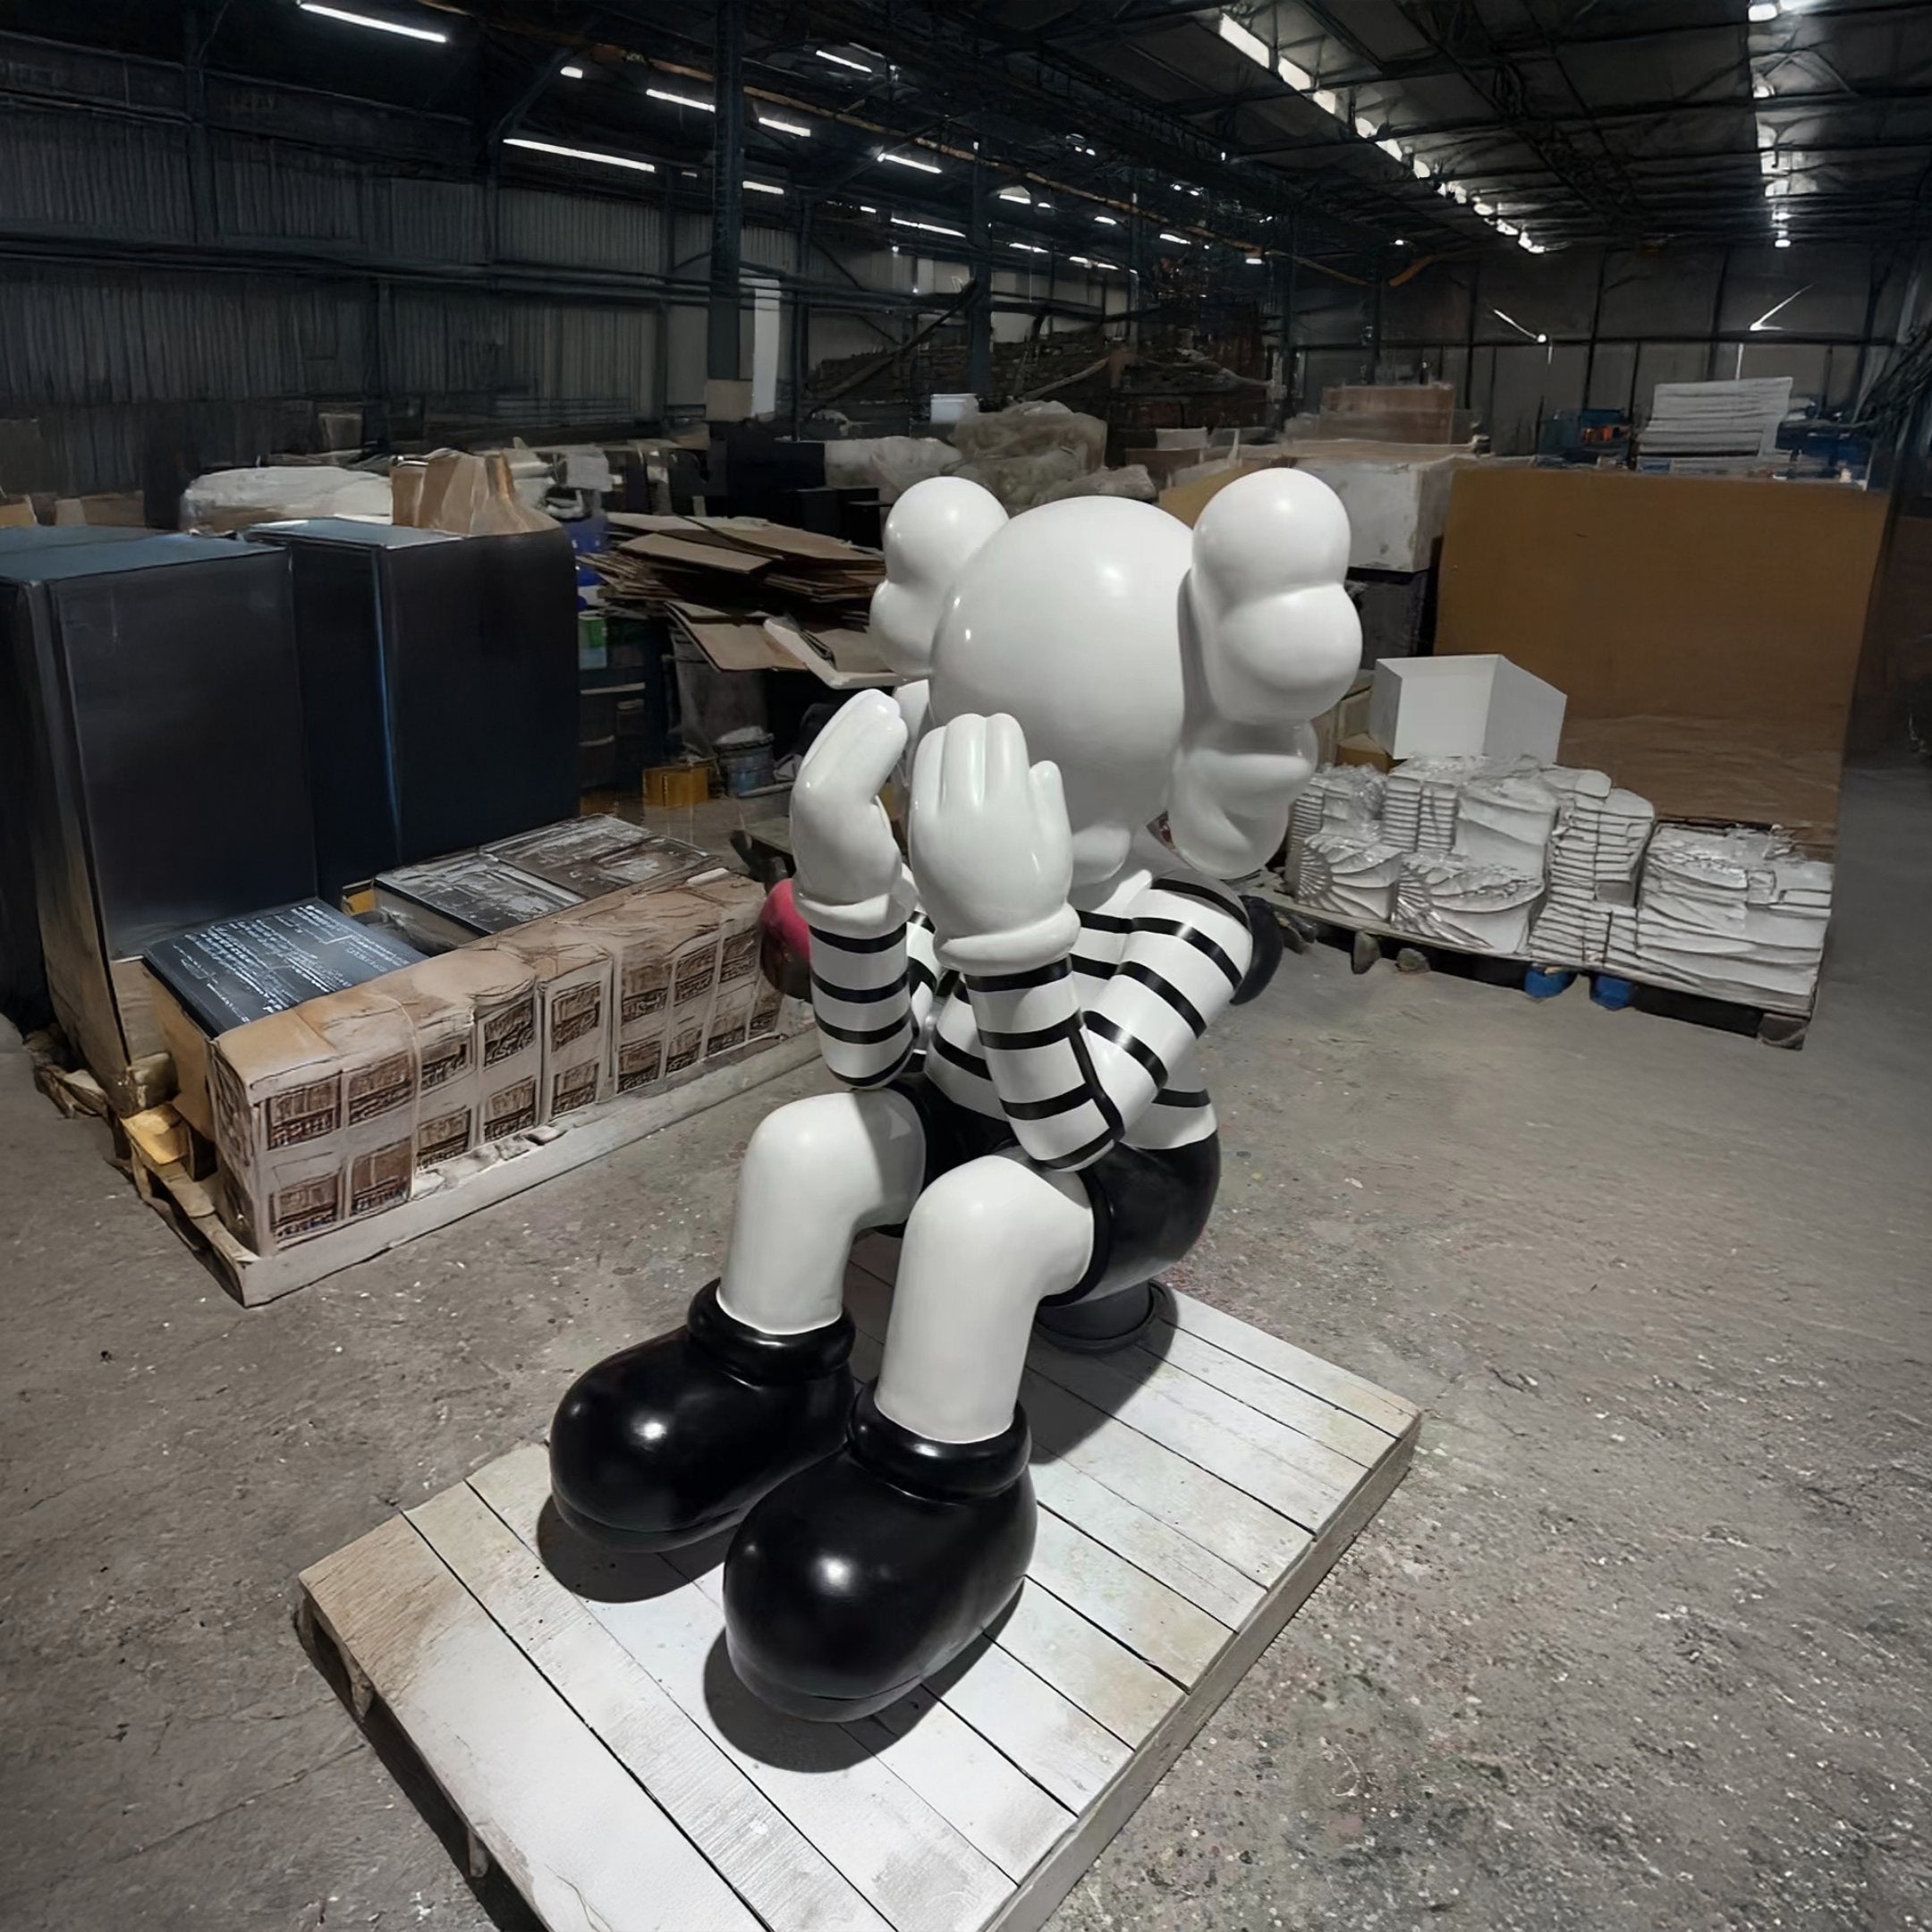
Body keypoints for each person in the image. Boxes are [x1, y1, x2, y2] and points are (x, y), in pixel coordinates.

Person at [549, 468, 1361, 1719]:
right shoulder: (965, 864)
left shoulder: (1189, 916)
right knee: (809, 1141)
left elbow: (1075, 1128)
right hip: (969, 1109)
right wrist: (855, 890)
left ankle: (944, 1489)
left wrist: (1016, 935)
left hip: (1123, 1178)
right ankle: (764, 1383)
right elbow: (873, 1060)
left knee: (981, 1220)